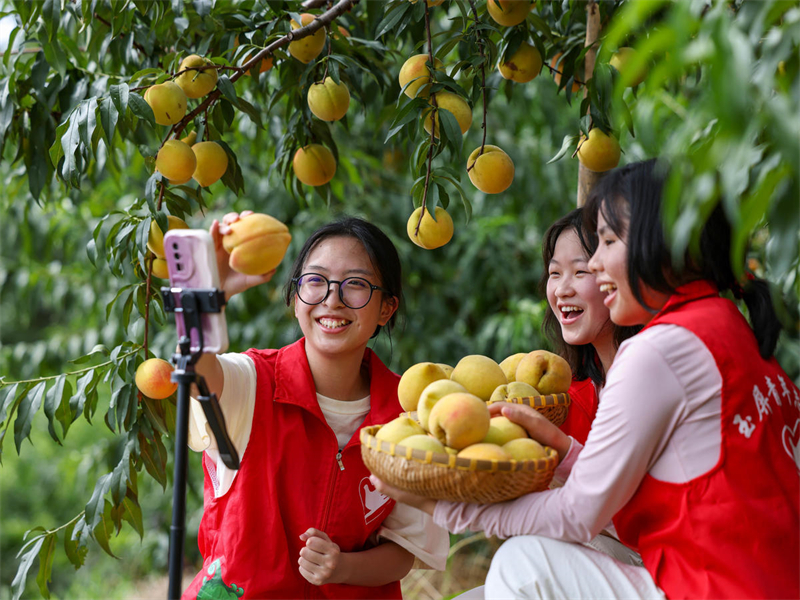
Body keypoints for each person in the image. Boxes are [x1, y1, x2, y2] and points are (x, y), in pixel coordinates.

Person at [373, 159, 800, 599]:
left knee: (523, 566)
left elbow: (579, 515)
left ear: (662, 244)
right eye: (558, 271)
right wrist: (568, 452)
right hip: (761, 580)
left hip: (713, 586)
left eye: (608, 242)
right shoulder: (726, 324)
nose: (595, 265)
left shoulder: (659, 350)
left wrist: (445, 508)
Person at [182, 213, 449, 600]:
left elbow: (406, 549)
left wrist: (343, 567)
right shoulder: (253, 382)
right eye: (316, 281)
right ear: (295, 298)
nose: (332, 299)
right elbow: (197, 372)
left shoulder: (408, 415)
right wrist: (208, 298)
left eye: (355, 285)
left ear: (387, 309)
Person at [542, 207, 640, 446]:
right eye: (555, 273)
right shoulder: (562, 399)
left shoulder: (650, 373)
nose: (562, 290)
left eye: (580, 271)